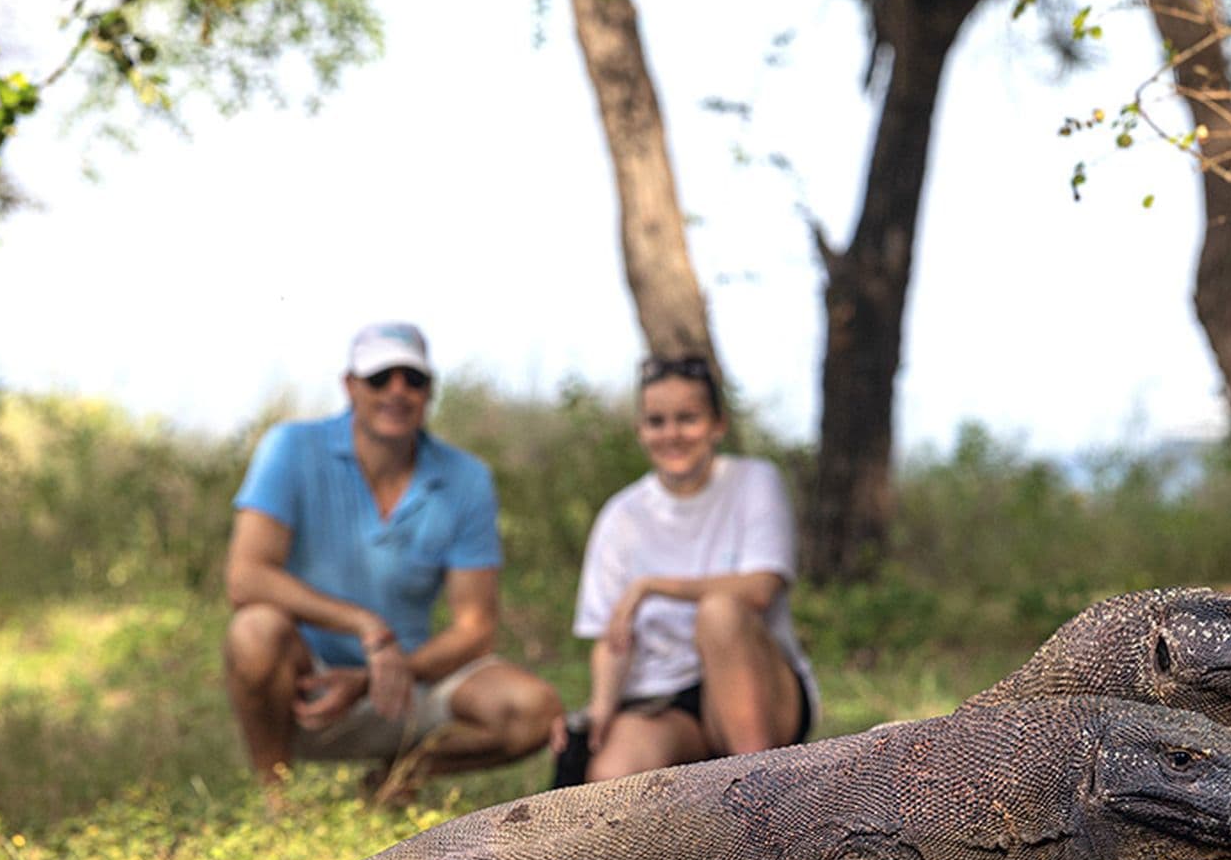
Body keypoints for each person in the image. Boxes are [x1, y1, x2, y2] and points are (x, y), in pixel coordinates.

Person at [223, 321, 561, 795]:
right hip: (308, 683)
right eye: (380, 378)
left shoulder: (467, 478)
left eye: (413, 379)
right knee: (253, 630)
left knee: (536, 711)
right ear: (350, 386)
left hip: (405, 678)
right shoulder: (290, 447)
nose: (397, 391)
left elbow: (476, 628)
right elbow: (246, 578)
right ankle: (276, 799)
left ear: (430, 391)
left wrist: (373, 677)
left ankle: (393, 780)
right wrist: (368, 627)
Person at [559, 354, 817, 783]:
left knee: (720, 612)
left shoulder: (755, 481)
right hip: (665, 700)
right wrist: (600, 708)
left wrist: (651, 586)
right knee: (611, 776)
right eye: (656, 421)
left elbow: (761, 589)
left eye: (688, 419)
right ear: (641, 430)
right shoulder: (621, 514)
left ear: (718, 425)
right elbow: (613, 636)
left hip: (763, 686)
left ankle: (761, 796)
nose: (672, 434)